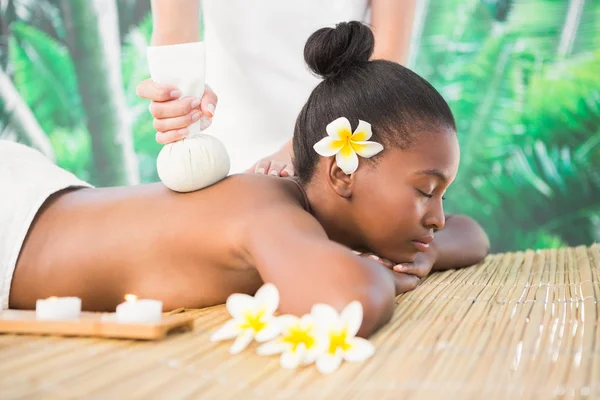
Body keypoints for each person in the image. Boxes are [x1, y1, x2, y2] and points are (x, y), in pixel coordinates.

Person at [4, 22, 489, 337]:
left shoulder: (297, 214)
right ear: (343, 172)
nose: (439, 217)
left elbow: (473, 236)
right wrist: (385, 269)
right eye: (426, 191)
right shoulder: (266, 210)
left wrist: (422, 253)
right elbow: (348, 302)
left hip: (43, 198)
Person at [137, 0, 417, 176]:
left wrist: (302, 147)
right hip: (224, 148)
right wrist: (181, 99)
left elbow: (385, 59)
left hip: (341, 139)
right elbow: (176, 33)